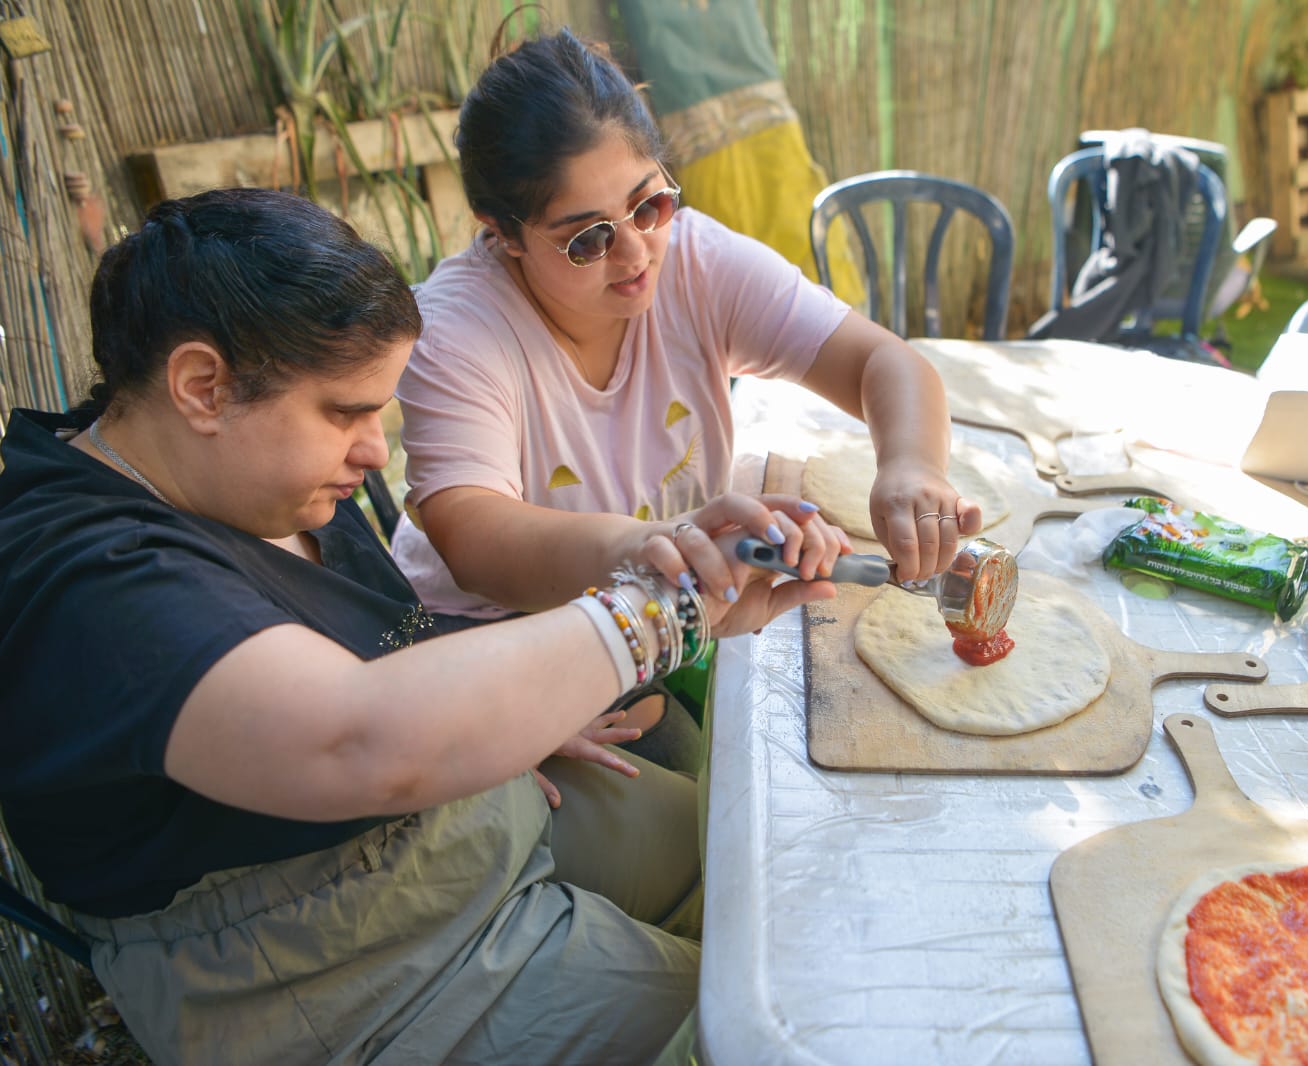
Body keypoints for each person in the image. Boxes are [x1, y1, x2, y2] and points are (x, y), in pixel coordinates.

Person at [0, 187, 843, 1066]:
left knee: (782, 881)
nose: (373, 453)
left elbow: (386, 651)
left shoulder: (236, 472)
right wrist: (662, 611)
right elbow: (355, 739)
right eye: (345, 412)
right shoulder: (85, 579)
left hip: (463, 823)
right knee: (787, 1035)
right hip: (354, 962)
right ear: (202, 386)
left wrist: (504, 711)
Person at [391, 26, 985, 769]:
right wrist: (647, 550)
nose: (636, 252)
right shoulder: (458, 329)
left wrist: (911, 465)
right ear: (503, 234)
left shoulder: (697, 260)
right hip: (491, 642)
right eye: (587, 239)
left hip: (653, 607)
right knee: (695, 799)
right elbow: (474, 540)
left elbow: (883, 361)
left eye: (649, 204)